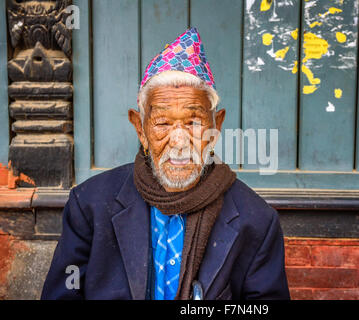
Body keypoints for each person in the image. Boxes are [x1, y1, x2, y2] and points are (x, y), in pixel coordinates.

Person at [41, 27, 290, 300]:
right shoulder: (89, 205)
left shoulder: (256, 220)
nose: (179, 140)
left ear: (216, 127)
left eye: (194, 122)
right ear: (140, 129)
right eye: (162, 123)